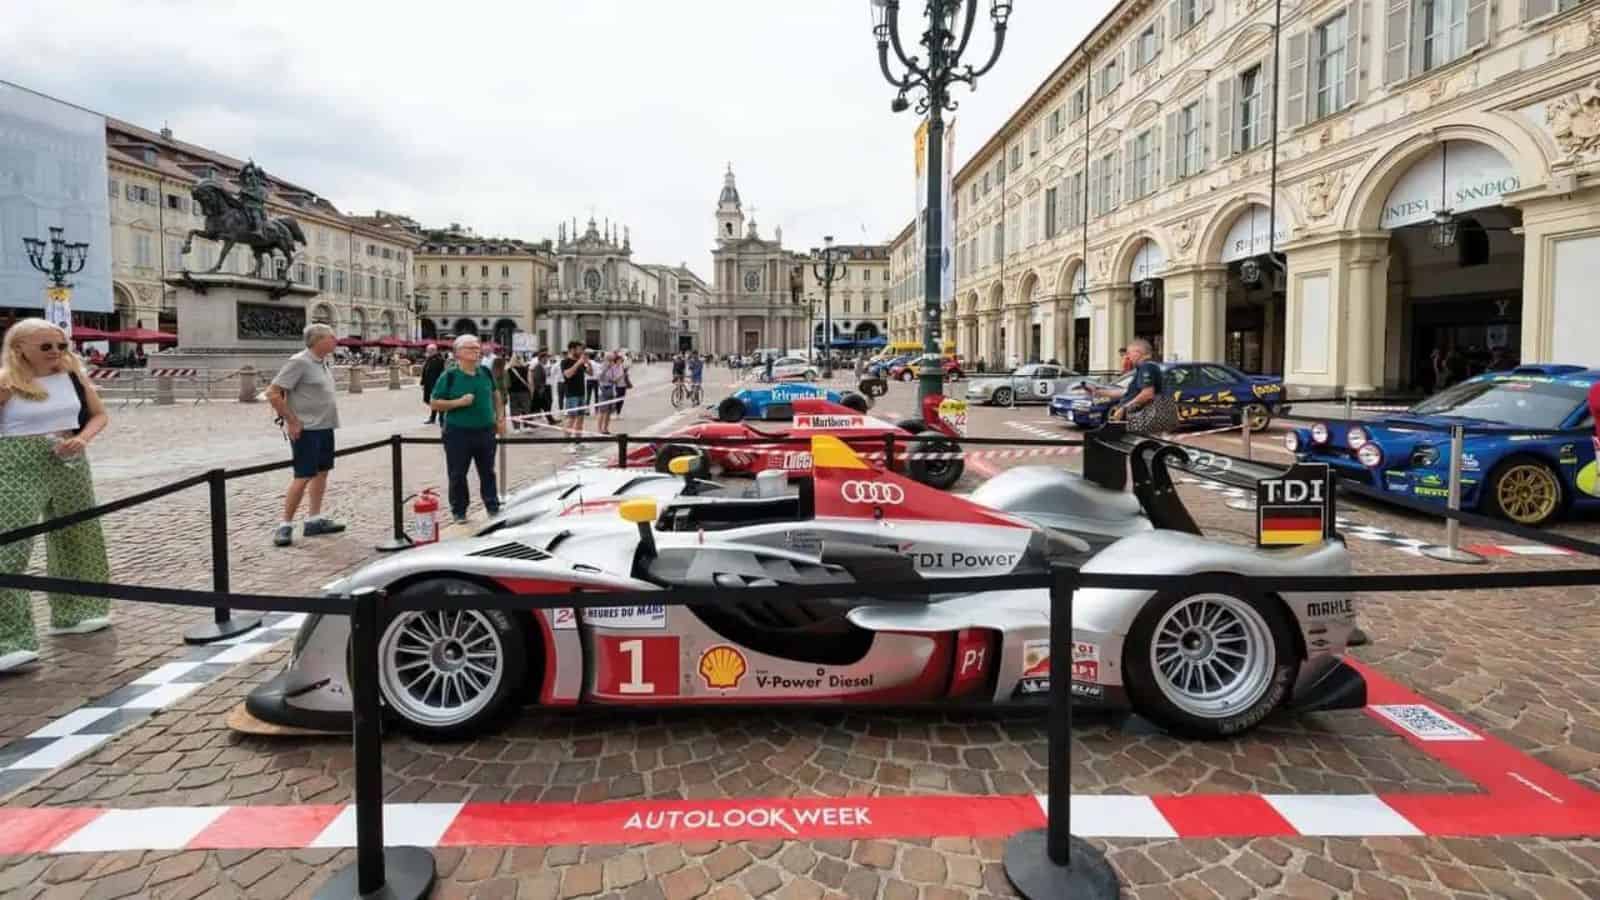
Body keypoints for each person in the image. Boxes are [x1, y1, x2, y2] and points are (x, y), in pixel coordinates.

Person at [0, 319, 114, 672]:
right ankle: (9, 639)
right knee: (11, 546)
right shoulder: (6, 383)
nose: (57, 353)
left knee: (78, 534)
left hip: (69, 460)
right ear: (20, 349)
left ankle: (77, 612)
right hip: (17, 463)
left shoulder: (74, 377)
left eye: (61, 345)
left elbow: (98, 416)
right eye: (46, 347)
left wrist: (82, 439)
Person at [267, 324, 346, 547]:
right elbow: (272, 393)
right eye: (332, 338)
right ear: (319, 340)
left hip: (325, 426)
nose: (335, 341)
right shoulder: (299, 362)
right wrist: (292, 420)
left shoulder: (322, 362)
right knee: (302, 476)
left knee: (322, 473)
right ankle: (285, 525)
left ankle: (314, 519)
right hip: (307, 429)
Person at [429, 334, 505, 523]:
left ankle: (492, 505)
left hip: (485, 430)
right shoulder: (450, 376)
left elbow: (497, 397)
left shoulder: (486, 372)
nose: (476, 351)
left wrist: (500, 418)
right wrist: (458, 402)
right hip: (458, 432)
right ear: (458, 353)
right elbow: (434, 403)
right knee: (457, 473)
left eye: (477, 347)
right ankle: (459, 510)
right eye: (471, 348)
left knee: (488, 471)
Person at [1099, 338, 1177, 435]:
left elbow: (1147, 394)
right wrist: (1099, 392)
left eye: (1129, 353)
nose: (1128, 357)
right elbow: (1131, 392)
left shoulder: (1147, 367)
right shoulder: (1147, 367)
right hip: (1144, 421)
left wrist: (1124, 408)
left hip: (1141, 420)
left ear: (1138, 353)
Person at [561, 342, 590, 452]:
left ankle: (578, 442)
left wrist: (588, 363)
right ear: (572, 350)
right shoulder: (565, 362)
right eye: (579, 349)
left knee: (580, 419)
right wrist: (578, 363)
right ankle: (566, 444)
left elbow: (590, 373)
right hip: (571, 394)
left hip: (581, 393)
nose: (581, 352)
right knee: (571, 419)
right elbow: (567, 374)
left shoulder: (580, 362)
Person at [596, 351, 625, 434]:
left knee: (608, 411)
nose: (612, 361)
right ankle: (599, 429)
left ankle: (605, 428)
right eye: (610, 359)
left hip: (611, 388)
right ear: (606, 359)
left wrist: (619, 377)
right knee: (602, 411)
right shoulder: (601, 366)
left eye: (612, 359)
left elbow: (614, 379)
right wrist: (606, 369)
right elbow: (599, 377)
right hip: (603, 389)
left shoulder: (613, 367)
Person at [420, 344, 446, 424]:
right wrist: (423, 383)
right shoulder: (428, 359)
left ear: (434, 350)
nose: (428, 352)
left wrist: (440, 384)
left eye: (430, 350)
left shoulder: (439, 360)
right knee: (431, 401)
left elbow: (442, 373)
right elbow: (425, 372)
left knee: (438, 401)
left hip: (436, 383)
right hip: (428, 383)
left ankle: (441, 418)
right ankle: (433, 418)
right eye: (428, 350)